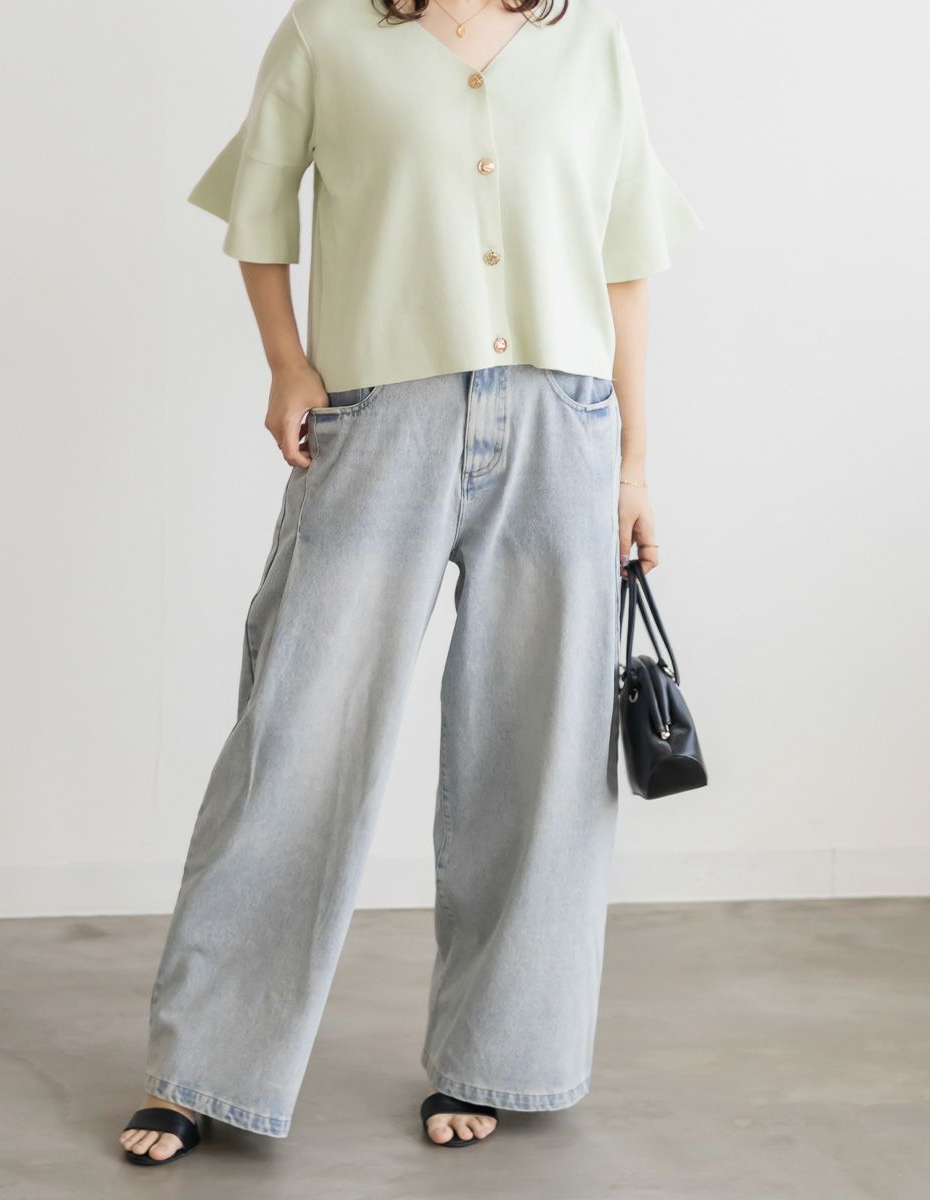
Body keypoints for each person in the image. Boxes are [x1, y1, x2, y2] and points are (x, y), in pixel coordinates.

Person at [120, 0, 700, 1166]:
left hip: (561, 426)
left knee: (537, 754)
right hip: (378, 417)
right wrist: (286, 363)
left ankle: (497, 1058)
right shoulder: (327, 32)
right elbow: (257, 209)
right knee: (297, 738)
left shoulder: (588, 42)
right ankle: (205, 1070)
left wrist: (635, 466)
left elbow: (625, 261)